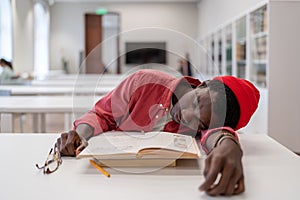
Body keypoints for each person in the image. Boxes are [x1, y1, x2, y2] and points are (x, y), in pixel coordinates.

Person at [56, 69, 260, 196]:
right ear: (202, 85)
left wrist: (228, 144)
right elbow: (102, 114)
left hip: (149, 187)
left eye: (199, 121)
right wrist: (80, 134)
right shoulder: (142, 82)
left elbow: (216, 134)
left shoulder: (204, 127)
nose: (187, 115)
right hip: (99, 179)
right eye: (196, 101)